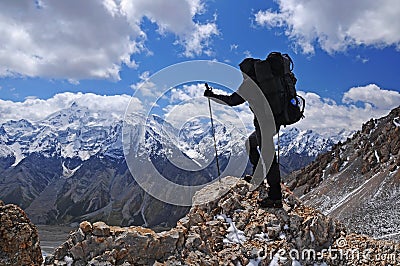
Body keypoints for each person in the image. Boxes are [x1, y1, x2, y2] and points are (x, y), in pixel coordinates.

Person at [203, 58, 283, 208]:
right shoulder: (265, 82)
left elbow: (232, 100)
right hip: (272, 124)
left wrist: (212, 96)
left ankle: (275, 197)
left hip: (263, 125)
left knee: (269, 158)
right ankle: (257, 177)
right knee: (250, 144)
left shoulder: (250, 85)